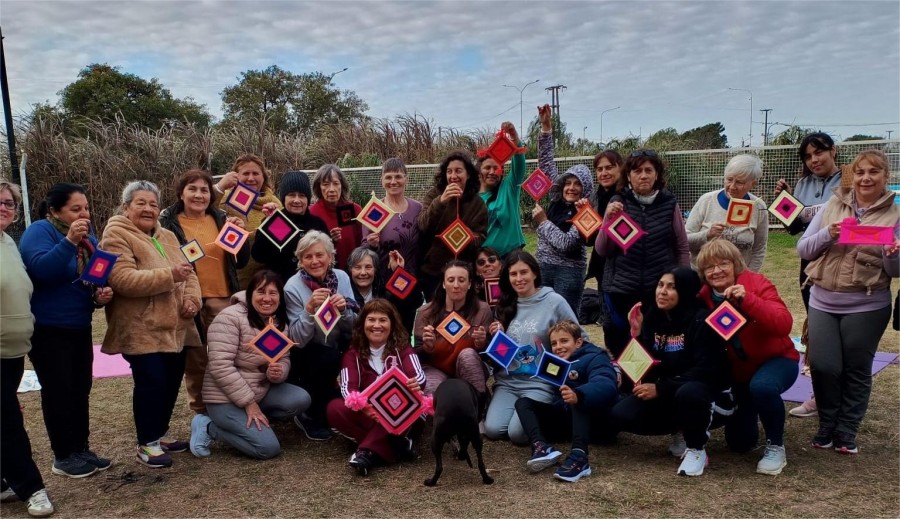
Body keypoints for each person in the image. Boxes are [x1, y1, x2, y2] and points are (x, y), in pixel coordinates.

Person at [797, 149, 899, 454]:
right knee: (825, 366)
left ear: (885, 177)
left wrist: (891, 254)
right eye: (860, 172)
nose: (866, 178)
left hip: (867, 304)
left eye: (873, 172)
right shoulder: (832, 205)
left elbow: (895, 272)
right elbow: (803, 249)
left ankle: (846, 431)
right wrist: (828, 233)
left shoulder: (895, 214)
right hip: (823, 301)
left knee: (856, 368)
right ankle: (827, 424)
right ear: (851, 175)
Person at [100, 181, 202, 468]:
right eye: (141, 203)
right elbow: (123, 280)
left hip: (176, 326)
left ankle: (160, 432)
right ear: (126, 207)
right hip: (140, 326)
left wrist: (193, 300)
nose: (148, 209)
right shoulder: (116, 235)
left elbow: (190, 273)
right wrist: (170, 275)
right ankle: (147, 442)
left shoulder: (168, 235)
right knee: (151, 383)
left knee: (171, 381)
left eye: (153, 204)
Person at [19, 182, 113, 478]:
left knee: (80, 388)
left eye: (85, 208)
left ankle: (80, 448)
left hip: (79, 325)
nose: (83, 213)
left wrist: (99, 296)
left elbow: (90, 281)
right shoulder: (40, 231)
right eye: (75, 209)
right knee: (58, 390)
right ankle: (63, 456)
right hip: (48, 328)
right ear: (55, 210)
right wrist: (69, 242)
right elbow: (41, 271)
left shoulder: (89, 241)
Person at [607, 268, 732, 477]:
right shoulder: (654, 318)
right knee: (621, 414)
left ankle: (696, 448)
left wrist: (661, 388)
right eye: (660, 285)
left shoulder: (702, 321)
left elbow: (707, 371)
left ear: (686, 290)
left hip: (710, 395)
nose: (662, 292)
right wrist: (635, 336)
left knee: (689, 393)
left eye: (672, 287)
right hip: (670, 391)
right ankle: (681, 430)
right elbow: (641, 372)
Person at [696, 239, 797, 475]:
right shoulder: (703, 297)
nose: (717, 270)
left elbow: (784, 324)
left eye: (723, 264)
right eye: (710, 267)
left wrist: (748, 300)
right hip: (740, 372)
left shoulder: (757, 283)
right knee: (740, 444)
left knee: (762, 387)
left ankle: (776, 445)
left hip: (777, 360)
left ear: (736, 264)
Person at [190, 270, 312, 460]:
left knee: (300, 399)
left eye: (273, 293)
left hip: (259, 390)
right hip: (224, 398)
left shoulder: (279, 323)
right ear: (250, 294)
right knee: (267, 448)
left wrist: (278, 372)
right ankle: (208, 426)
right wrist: (249, 404)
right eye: (261, 292)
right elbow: (220, 366)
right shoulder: (229, 318)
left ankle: (254, 425)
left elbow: (284, 358)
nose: (267, 298)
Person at [159, 169, 250, 417]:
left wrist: (241, 234)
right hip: (189, 299)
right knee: (197, 360)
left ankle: (230, 408)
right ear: (181, 193)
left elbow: (240, 262)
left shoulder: (221, 218)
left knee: (228, 357)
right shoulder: (167, 223)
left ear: (211, 194)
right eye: (193, 189)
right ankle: (201, 414)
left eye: (204, 190)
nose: (199, 195)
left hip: (223, 298)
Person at [774, 133, 843, 418]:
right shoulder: (803, 184)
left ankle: (842, 397)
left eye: (819, 153)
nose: (814, 160)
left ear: (833, 151)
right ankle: (818, 396)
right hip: (810, 264)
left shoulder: (849, 180)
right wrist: (785, 200)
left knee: (842, 333)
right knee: (818, 330)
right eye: (808, 156)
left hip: (841, 265)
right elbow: (793, 229)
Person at [595, 149, 690, 357]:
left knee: (655, 345)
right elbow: (602, 250)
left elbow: (681, 246)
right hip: (621, 290)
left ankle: (653, 385)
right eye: (637, 171)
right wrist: (608, 221)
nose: (643, 175)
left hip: (657, 291)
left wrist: (683, 284)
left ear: (657, 174)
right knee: (622, 346)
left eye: (649, 170)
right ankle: (627, 386)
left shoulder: (669, 204)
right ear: (628, 175)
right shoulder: (618, 203)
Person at [483, 251, 580, 444]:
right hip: (508, 382)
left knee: (518, 435)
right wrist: (496, 334)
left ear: (535, 273)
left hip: (540, 382)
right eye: (513, 274)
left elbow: (579, 338)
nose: (519, 279)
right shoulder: (504, 303)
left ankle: (549, 415)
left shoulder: (554, 301)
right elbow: (499, 352)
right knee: (493, 429)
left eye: (524, 272)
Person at [0, 178, 55, 517]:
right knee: (7, 421)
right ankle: (32, 487)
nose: (3, 207)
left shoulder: (8, 242)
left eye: (8, 203)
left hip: (13, 350)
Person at [326, 299, 426, 477]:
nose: (377, 325)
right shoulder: (352, 354)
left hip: (400, 414)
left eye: (383, 320)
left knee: (410, 407)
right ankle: (398, 445)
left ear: (392, 324)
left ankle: (365, 452)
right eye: (371, 320)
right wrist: (364, 407)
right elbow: (348, 389)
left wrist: (415, 383)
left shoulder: (403, 348)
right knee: (334, 408)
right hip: (369, 415)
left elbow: (418, 376)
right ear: (363, 324)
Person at [514, 320, 617, 483]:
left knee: (576, 398)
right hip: (567, 418)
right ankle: (541, 447)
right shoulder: (554, 363)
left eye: (564, 341)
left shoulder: (595, 357)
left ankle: (579, 457)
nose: (558, 347)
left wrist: (579, 394)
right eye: (554, 343)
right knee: (523, 403)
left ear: (578, 342)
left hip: (597, 423)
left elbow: (605, 384)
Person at [284, 230, 359, 440]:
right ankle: (308, 415)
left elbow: (353, 328)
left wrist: (344, 310)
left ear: (330, 256)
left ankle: (333, 405)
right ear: (300, 260)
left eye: (320, 255)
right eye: (307, 256)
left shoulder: (342, 277)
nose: (315, 261)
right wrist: (308, 310)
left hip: (337, 344)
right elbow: (297, 340)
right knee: (326, 357)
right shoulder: (293, 286)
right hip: (309, 352)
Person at [532, 104, 595, 315]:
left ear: (585, 188)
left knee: (565, 321)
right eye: (568, 182)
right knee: (542, 317)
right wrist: (546, 127)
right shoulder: (555, 198)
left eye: (577, 184)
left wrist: (543, 222)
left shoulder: (586, 212)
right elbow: (546, 162)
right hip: (543, 266)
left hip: (569, 272)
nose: (571, 188)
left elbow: (566, 244)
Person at [413, 260, 492, 395]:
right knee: (432, 388)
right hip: (434, 366)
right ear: (444, 284)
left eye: (461, 280)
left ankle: (478, 405)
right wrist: (427, 347)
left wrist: (482, 344)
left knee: (467, 355)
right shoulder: (425, 312)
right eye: (450, 280)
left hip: (469, 365)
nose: (456, 285)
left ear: (469, 284)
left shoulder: (482, 310)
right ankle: (431, 414)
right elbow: (416, 356)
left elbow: (489, 356)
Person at [418, 151, 488, 299]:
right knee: (437, 316)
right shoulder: (433, 195)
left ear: (468, 174)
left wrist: (468, 237)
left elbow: (481, 236)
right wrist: (441, 201)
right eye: (449, 171)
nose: (453, 176)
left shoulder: (477, 203)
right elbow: (423, 226)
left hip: (463, 272)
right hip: (434, 272)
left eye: (458, 171)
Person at [685, 154, 768, 271]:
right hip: (703, 277)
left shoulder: (758, 207)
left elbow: (759, 249)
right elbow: (684, 240)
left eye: (740, 182)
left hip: (739, 279)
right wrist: (707, 234)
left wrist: (748, 278)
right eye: (729, 179)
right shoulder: (707, 200)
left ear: (753, 184)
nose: (732, 186)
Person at [213, 154, 282, 287]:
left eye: (255, 173)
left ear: (263, 177)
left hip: (262, 283)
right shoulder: (224, 197)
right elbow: (203, 209)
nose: (251, 178)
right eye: (246, 173)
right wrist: (220, 186)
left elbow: (282, 239)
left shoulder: (274, 203)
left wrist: (272, 222)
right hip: (230, 280)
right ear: (235, 176)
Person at [251, 170, 329, 283]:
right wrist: (270, 223)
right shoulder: (274, 220)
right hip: (280, 287)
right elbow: (259, 256)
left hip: (313, 287)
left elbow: (328, 257)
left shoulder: (317, 223)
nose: (296, 200)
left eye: (302, 196)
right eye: (291, 195)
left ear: (308, 199)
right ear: (283, 198)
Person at [362, 158, 423, 280]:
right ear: (382, 181)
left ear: (407, 179)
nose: (393, 181)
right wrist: (372, 245)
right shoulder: (375, 210)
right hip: (384, 280)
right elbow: (363, 249)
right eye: (388, 177)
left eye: (398, 177)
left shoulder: (418, 208)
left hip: (414, 278)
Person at [478, 121, 526, 258]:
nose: (492, 172)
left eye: (497, 168)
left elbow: (519, 166)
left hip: (512, 257)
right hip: (485, 261)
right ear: (478, 171)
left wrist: (514, 137)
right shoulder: (471, 198)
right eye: (487, 168)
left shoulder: (509, 188)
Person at [346, 246, 419, 336]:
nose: (363, 272)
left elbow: (413, 302)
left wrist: (399, 272)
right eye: (357, 267)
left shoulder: (385, 291)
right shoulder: (344, 291)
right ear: (350, 270)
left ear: (375, 270)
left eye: (368, 267)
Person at [308, 164, 362, 270]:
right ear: (319, 187)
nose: (331, 189)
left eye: (336, 183)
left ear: (342, 185)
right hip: (322, 274)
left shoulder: (354, 210)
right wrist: (328, 240)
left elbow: (362, 243)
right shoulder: (311, 213)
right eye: (326, 184)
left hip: (354, 273)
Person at [585, 150, 624, 290]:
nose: (604, 173)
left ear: (621, 167)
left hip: (624, 266)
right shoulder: (594, 198)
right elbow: (589, 241)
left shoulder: (628, 196)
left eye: (609, 167)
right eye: (599, 169)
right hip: (601, 265)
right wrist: (583, 216)